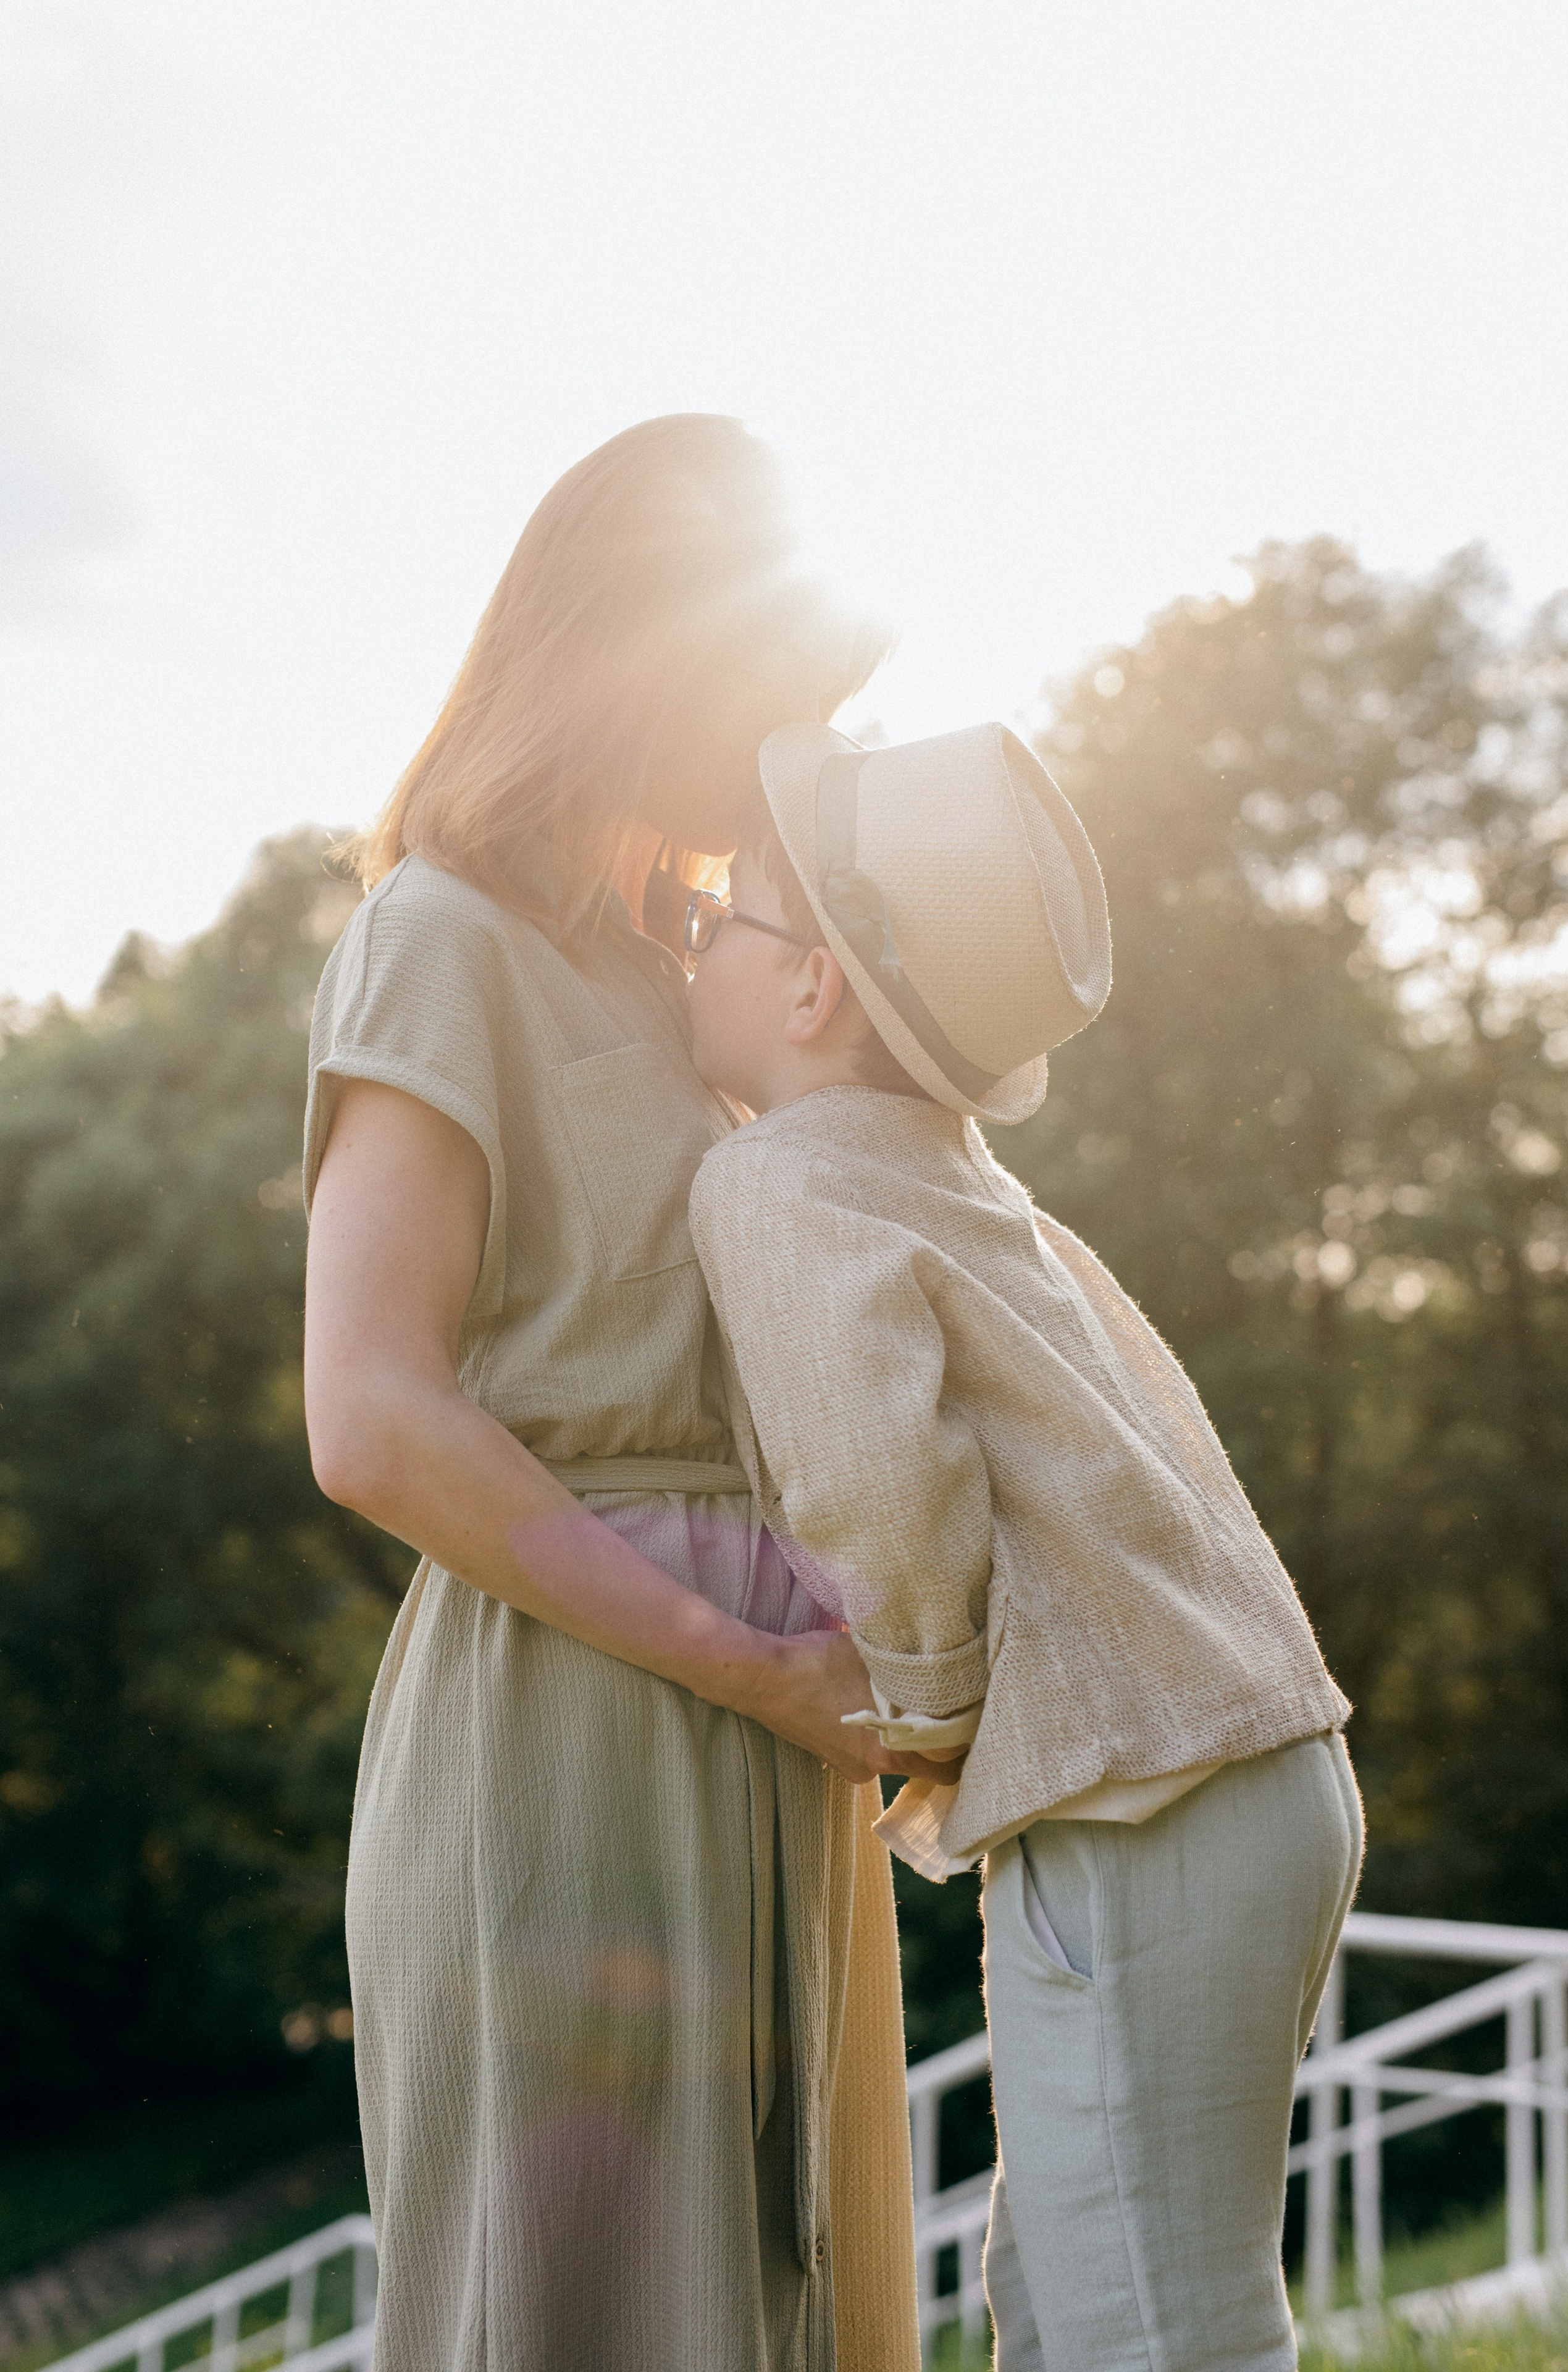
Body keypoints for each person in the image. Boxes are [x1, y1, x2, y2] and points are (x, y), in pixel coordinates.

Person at [301, 417, 931, 2372]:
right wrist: (725, 1656)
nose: (776, 758)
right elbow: (373, 1414)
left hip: (774, 1736)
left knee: (792, 2304)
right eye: (762, 700)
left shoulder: (692, 982)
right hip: (570, 1731)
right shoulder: (438, 938)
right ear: (639, 656)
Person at [685, 718, 1366, 2372]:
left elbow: (872, 1480)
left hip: (1145, 1811)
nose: (688, 936)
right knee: (1069, 2305)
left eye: (721, 913)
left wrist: (918, 1710)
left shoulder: (776, 1180)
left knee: (1153, 2332)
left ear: (810, 990)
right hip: (1252, 1778)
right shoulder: (952, 1169)